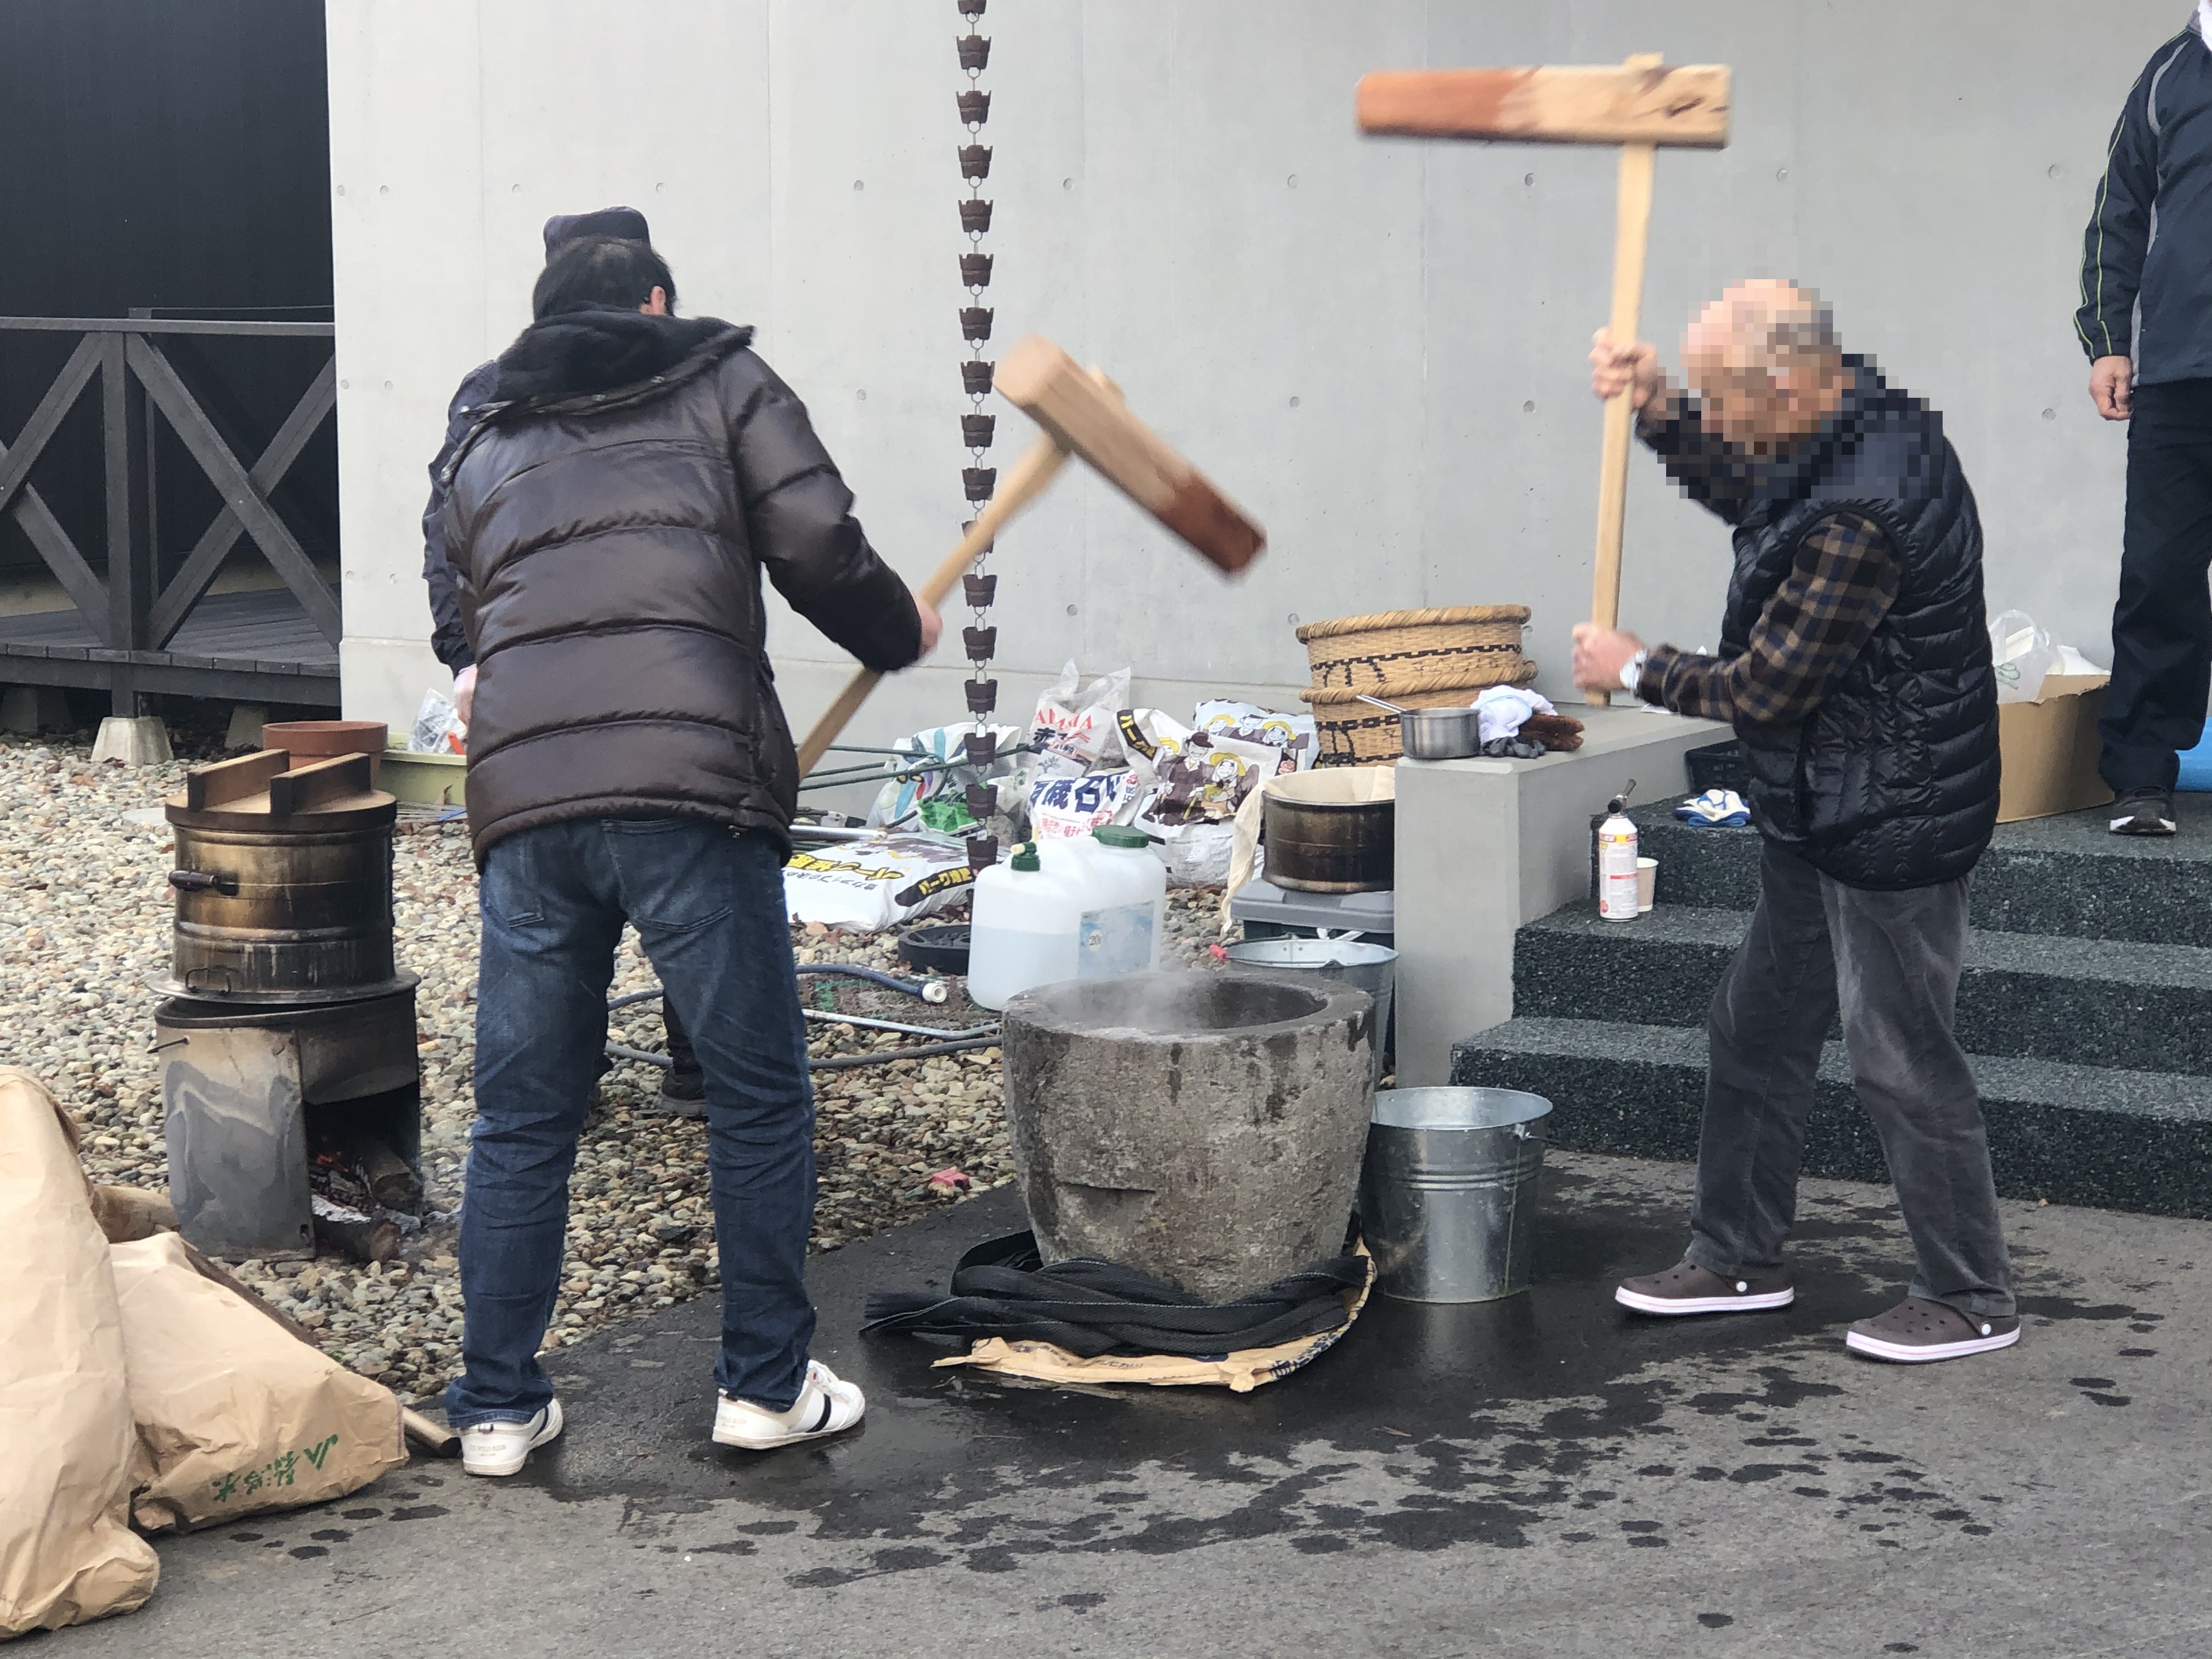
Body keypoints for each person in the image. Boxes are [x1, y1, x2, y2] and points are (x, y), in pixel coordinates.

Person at [437, 230, 943, 1474]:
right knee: (757, 1093)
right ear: (660, 304)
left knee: (521, 1114)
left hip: (529, 800)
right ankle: (765, 1388)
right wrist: (901, 626)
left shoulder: (486, 432)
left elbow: (460, 617)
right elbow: (819, 543)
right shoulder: (726, 385)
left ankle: (498, 1406)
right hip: (690, 789)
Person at [1571, 279, 2019, 1364]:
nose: (1723, 427)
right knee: (1758, 1029)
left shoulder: (1872, 497)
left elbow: (1769, 687)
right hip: (1823, 805)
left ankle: (1971, 1296)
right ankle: (1736, 1257)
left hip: (1893, 820)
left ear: (1782, 381)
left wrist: (1637, 667)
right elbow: (1760, 503)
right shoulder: (1840, 425)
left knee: (1900, 1055)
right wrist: (1663, 407)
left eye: (1725, 402)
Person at [420, 207, 715, 1114]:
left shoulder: (497, 390)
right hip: (667, 692)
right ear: (655, 295)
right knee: (686, 884)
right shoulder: (703, 385)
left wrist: (471, 654)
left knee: (556, 898)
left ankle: (567, 1081)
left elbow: (447, 534)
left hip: (546, 697)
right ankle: (695, 1070)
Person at [2078, 7, 2212, 836]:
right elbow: (2117, 209)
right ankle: (2139, 780)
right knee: (2159, 578)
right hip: (2176, 377)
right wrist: (2105, 341)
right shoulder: (2170, 74)